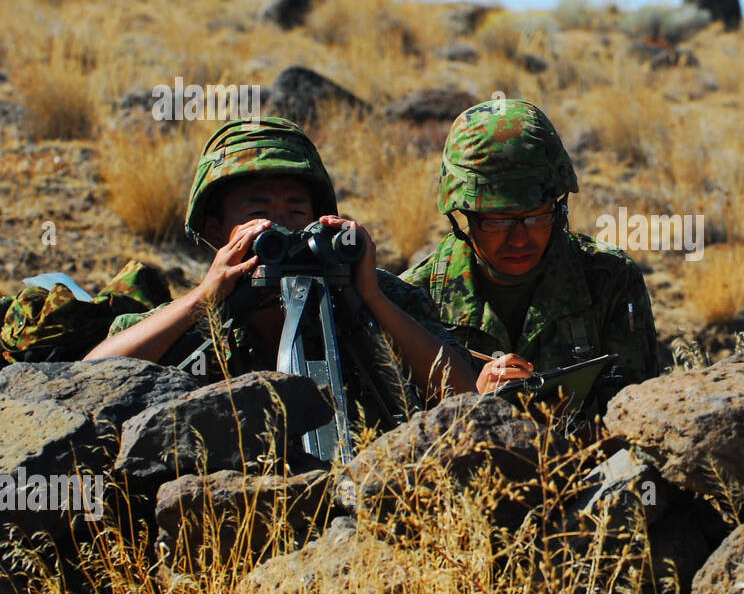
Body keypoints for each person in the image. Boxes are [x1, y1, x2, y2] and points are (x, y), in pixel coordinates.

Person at [86, 118, 477, 417]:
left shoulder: (377, 296)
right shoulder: (195, 314)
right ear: (215, 229)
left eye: (295, 212)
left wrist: (369, 297)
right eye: (258, 214)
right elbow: (90, 380)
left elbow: (463, 393)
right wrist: (204, 299)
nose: (282, 228)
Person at [402, 98, 658, 417]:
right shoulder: (413, 302)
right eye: (498, 220)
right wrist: (470, 404)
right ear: (463, 215)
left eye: (537, 216)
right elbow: (399, 438)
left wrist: (559, 417)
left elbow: (636, 412)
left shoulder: (610, 279)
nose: (520, 238)